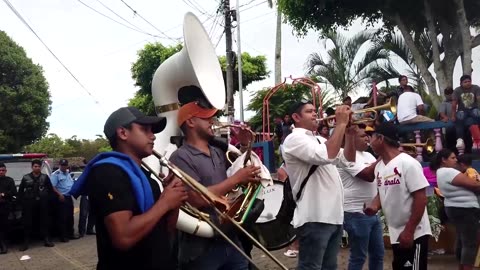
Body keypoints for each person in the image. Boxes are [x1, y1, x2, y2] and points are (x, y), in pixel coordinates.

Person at [69, 106, 187, 270]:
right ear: (123, 133)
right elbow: (123, 237)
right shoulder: (108, 172)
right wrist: (164, 203)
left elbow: (165, 230)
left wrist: (174, 201)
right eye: (145, 129)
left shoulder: (146, 178)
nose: (153, 136)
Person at [169, 100, 260, 270]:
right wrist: (237, 179)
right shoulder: (179, 157)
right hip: (201, 246)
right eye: (206, 118)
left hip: (229, 237)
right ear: (190, 122)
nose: (212, 122)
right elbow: (195, 198)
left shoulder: (218, 152)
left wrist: (245, 144)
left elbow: (235, 174)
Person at [283, 100, 356, 270]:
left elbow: (348, 159)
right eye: (309, 111)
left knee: (329, 267)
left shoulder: (318, 139)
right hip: (315, 216)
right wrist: (341, 124)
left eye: (315, 110)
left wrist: (350, 134)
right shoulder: (294, 139)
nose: (315, 114)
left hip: (334, 216)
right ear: (296, 117)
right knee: (310, 267)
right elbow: (327, 155)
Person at [364, 122, 431, 270]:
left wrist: (409, 231)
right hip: (397, 234)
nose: (370, 141)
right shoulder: (380, 167)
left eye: (372, 137)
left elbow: (421, 198)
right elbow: (382, 192)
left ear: (381, 139)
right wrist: (374, 206)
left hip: (415, 233)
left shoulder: (408, 163)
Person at [337, 125, 384, 270]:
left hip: (371, 211)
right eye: (363, 136)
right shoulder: (342, 155)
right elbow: (368, 176)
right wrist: (385, 154)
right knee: (359, 256)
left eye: (368, 136)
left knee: (378, 254)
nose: (367, 139)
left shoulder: (369, 155)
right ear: (350, 138)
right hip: (354, 212)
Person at [429, 149, 480, 270]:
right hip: (464, 208)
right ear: (443, 160)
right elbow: (474, 184)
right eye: (452, 158)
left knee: (463, 240)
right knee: (470, 243)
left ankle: (462, 267)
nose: (456, 160)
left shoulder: (442, 172)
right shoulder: (449, 172)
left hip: (456, 207)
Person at [18, 160, 55, 251]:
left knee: (45, 222)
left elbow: (50, 190)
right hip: (29, 204)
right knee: (27, 223)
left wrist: (48, 201)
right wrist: (23, 202)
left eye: (38, 166)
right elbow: (20, 192)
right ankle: (26, 242)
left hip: (42, 204)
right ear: (32, 167)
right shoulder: (26, 177)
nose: (37, 168)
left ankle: (46, 240)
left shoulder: (45, 177)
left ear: (40, 167)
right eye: (35, 166)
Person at [50, 159, 79, 242]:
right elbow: (53, 187)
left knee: (70, 216)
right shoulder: (56, 174)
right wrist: (59, 194)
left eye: (65, 165)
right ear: (59, 165)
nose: (64, 166)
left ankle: (70, 234)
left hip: (69, 197)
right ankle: (63, 236)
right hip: (62, 198)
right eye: (62, 165)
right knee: (63, 218)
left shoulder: (68, 173)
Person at [451, 75, 480, 149]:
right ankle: (460, 139)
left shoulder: (476, 88)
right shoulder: (457, 90)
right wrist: (453, 115)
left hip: (474, 108)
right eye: (465, 82)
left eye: (469, 81)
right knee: (460, 116)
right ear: (461, 83)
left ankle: (477, 137)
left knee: (477, 113)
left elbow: (479, 99)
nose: (468, 83)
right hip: (462, 110)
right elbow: (454, 103)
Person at [0, 163, 16, 254]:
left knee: (4, 226)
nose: (1, 172)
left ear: (6, 171)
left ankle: (4, 245)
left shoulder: (10, 180)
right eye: (0, 170)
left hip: (5, 206)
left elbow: (13, 192)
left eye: (3, 170)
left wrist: (3, 194)